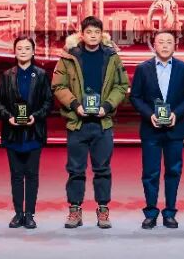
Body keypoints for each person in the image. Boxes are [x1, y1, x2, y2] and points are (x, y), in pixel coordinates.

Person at [52, 16, 130, 229]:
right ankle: (74, 210)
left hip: (103, 123)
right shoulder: (69, 56)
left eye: (96, 32)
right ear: (82, 34)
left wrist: (107, 106)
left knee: (103, 169)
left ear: (101, 34)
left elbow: (121, 85)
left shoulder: (112, 56)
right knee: (75, 170)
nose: (93, 36)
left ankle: (103, 210)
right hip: (77, 123)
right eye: (89, 32)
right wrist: (75, 105)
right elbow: (58, 85)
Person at [130, 30, 184, 229]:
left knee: (173, 171)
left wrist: (177, 113)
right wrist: (149, 114)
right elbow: (135, 97)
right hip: (151, 129)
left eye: (169, 42)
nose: (165, 45)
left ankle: (170, 213)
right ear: (154, 45)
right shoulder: (143, 68)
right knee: (150, 172)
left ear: (175, 45)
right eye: (161, 42)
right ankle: (150, 212)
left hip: (175, 129)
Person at [0, 35, 52, 229]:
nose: (23, 51)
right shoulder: (7, 75)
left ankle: (30, 214)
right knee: (17, 175)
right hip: (13, 133)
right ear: (14, 51)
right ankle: (18, 213)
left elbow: (48, 102)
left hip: (34, 133)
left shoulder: (41, 75)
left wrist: (36, 116)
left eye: (27, 48)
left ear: (33, 52)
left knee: (32, 175)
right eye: (19, 48)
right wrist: (8, 117)